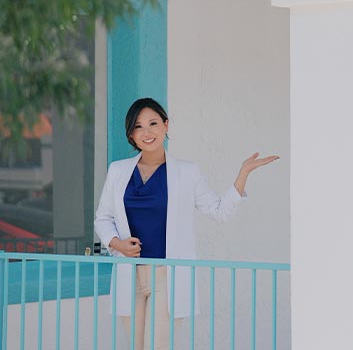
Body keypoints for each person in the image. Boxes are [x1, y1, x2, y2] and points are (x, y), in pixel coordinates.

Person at [94, 98, 278, 350]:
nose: (147, 132)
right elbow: (103, 218)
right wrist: (117, 244)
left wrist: (242, 174)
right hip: (129, 273)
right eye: (138, 127)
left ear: (166, 125)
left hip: (167, 278)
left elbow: (219, 211)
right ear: (131, 134)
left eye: (153, 123)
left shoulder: (186, 172)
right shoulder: (118, 170)